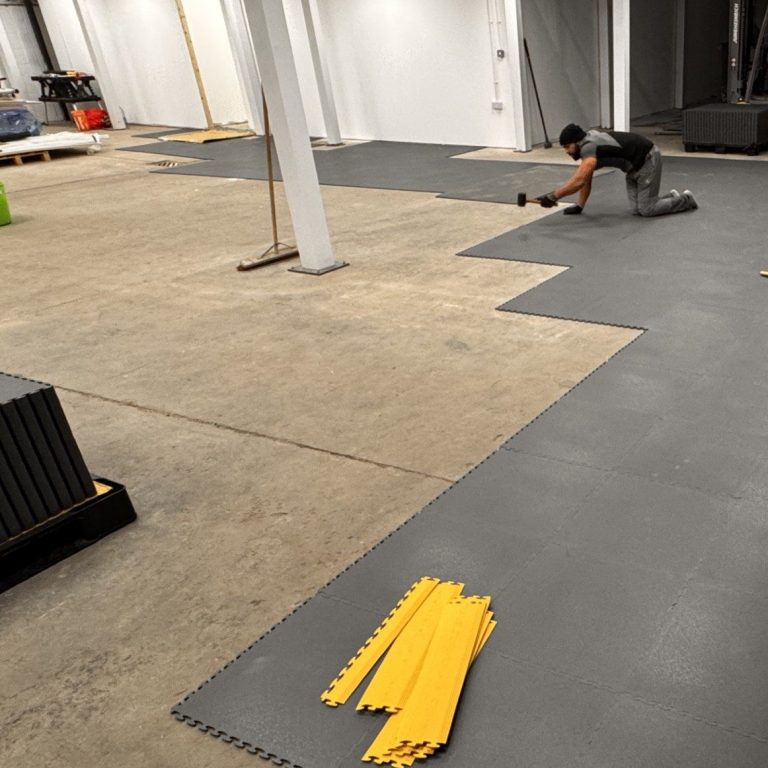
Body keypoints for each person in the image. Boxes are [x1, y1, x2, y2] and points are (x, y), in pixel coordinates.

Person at [537, 124, 698, 216]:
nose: (566, 151)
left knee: (646, 210)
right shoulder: (587, 144)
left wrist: (553, 196)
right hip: (633, 168)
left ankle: (686, 199)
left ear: (577, 142)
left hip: (647, 159)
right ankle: (672, 197)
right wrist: (579, 206)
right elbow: (585, 178)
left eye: (567, 146)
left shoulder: (588, 147)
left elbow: (578, 181)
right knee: (636, 210)